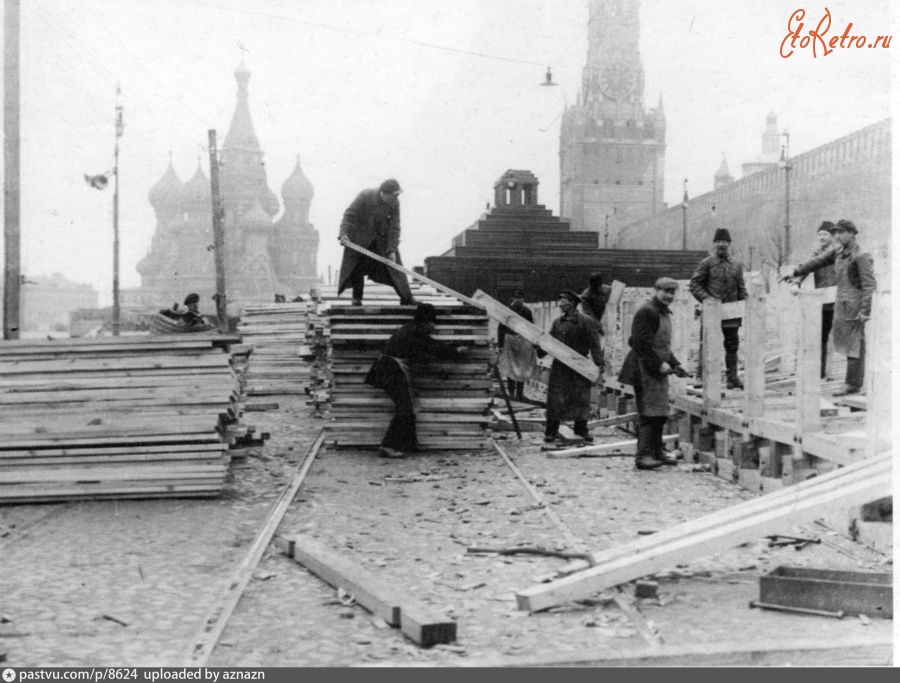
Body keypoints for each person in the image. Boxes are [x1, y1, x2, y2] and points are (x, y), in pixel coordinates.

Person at [783, 219, 876, 396]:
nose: (838, 236)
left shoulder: (861, 254)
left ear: (852, 233)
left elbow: (869, 285)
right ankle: (852, 382)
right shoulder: (838, 251)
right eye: (836, 233)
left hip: (855, 304)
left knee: (855, 343)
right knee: (847, 343)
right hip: (842, 303)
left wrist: (865, 310)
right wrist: (795, 272)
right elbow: (817, 261)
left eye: (841, 232)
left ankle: (853, 383)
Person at [365, 303, 466, 457]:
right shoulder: (414, 332)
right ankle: (388, 446)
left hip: (390, 368)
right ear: (425, 321)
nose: (434, 326)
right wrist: (456, 351)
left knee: (409, 407)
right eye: (432, 322)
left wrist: (450, 347)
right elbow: (431, 348)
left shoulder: (411, 328)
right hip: (390, 370)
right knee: (404, 407)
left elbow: (430, 344)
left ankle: (408, 444)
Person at [618, 278, 689, 470]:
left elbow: (661, 346)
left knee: (659, 413)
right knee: (648, 414)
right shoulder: (647, 312)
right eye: (665, 291)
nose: (669, 296)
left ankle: (657, 452)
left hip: (655, 371)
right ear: (655, 290)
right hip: (643, 369)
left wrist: (675, 363)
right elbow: (639, 343)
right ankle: (642, 456)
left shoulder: (663, 312)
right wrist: (659, 364)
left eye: (672, 292)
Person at [337, 178, 415, 306]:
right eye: (393, 195)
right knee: (357, 265)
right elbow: (349, 216)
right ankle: (356, 298)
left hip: (380, 238)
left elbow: (395, 226)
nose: (396, 198)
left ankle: (406, 297)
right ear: (383, 193)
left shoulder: (395, 202)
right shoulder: (365, 195)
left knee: (395, 267)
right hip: (360, 237)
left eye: (397, 195)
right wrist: (343, 234)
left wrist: (392, 249)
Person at [541, 290, 603, 446]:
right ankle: (551, 432)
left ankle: (581, 430)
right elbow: (549, 342)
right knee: (555, 400)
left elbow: (594, 343)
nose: (560, 304)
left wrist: (599, 363)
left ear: (572, 303)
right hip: (560, 368)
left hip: (579, 367)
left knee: (581, 399)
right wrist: (539, 348)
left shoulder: (586, 321)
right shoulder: (557, 322)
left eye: (563, 301)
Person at [689, 228, 747, 389]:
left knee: (732, 346)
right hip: (712, 313)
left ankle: (732, 378)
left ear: (729, 243)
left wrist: (747, 302)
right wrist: (707, 300)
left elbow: (741, 287)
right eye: (718, 241)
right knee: (706, 344)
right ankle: (700, 377)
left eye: (725, 241)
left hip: (732, 313)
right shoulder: (706, 263)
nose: (722, 244)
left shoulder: (736, 264)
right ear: (714, 243)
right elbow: (694, 284)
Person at [796, 221, 838, 378]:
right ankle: (820, 371)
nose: (821, 237)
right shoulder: (815, 253)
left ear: (832, 236)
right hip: (823, 300)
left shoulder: (837, 251)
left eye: (825, 234)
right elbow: (805, 267)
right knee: (822, 335)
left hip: (839, 298)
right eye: (819, 234)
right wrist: (796, 282)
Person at [497, 289, 537, 401]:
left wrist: (533, 342)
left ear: (523, 299)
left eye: (520, 298)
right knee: (510, 368)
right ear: (512, 299)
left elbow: (531, 328)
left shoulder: (527, 312)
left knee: (522, 368)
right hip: (510, 341)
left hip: (523, 342)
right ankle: (511, 392)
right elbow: (501, 328)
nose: (517, 300)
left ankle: (520, 393)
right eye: (515, 298)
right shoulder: (507, 311)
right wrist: (500, 345)